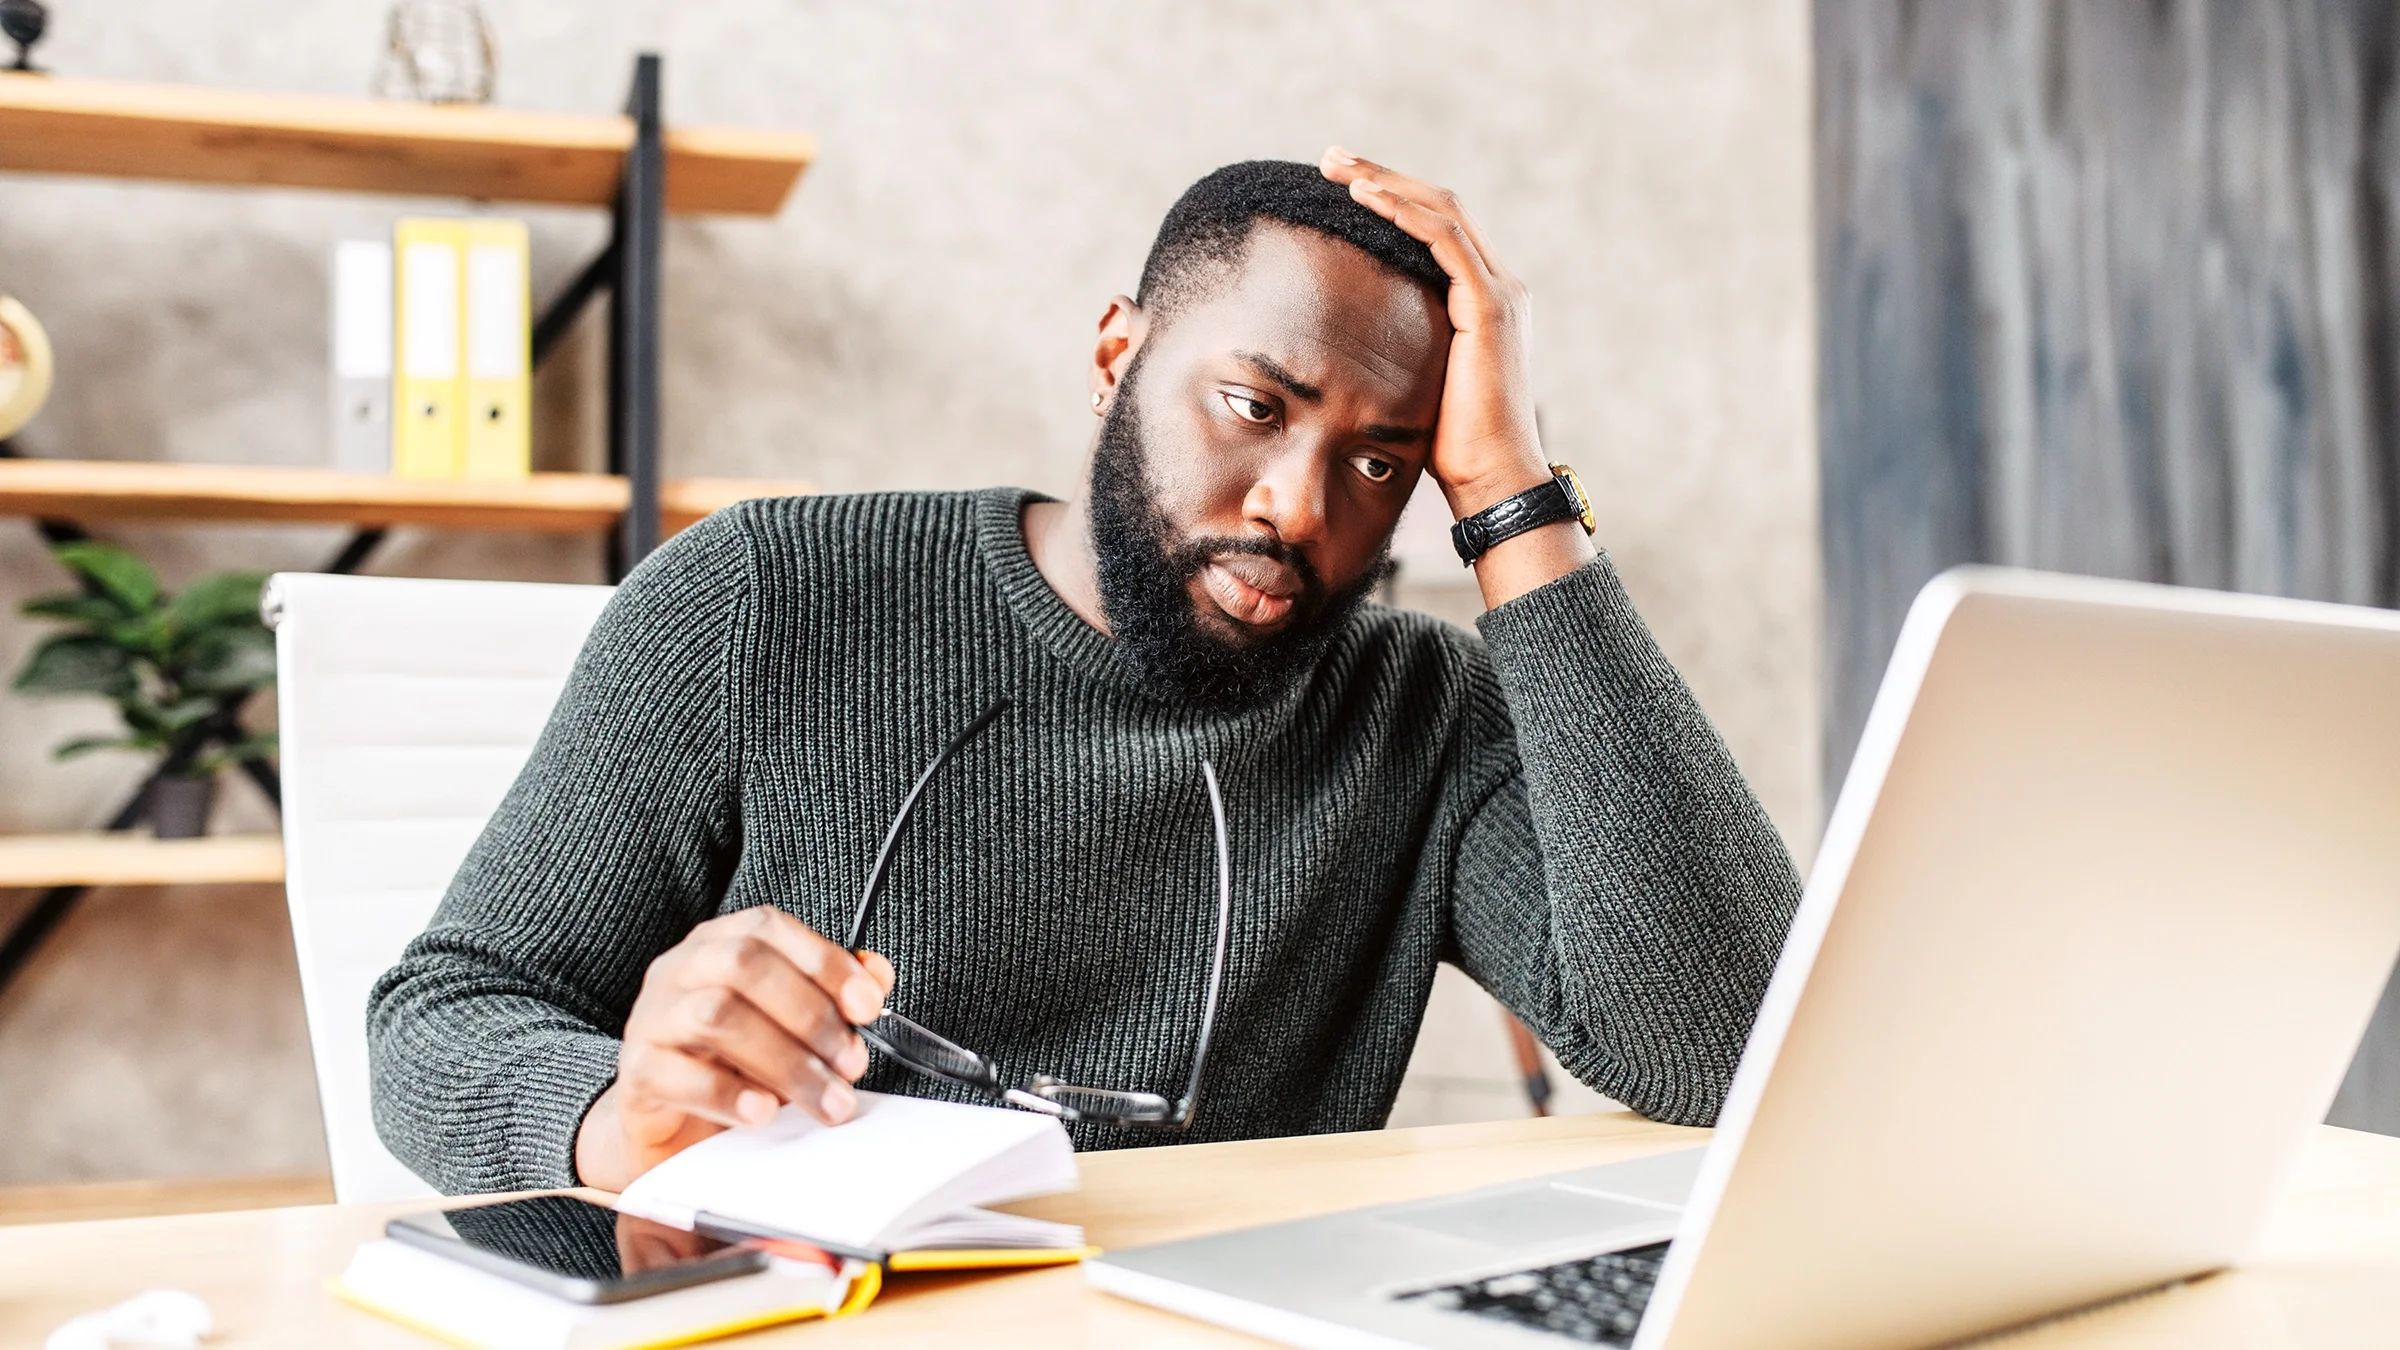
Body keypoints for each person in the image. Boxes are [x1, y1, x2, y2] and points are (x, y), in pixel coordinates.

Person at [368, 151, 1802, 1195]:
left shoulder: (1422, 712)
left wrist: (1514, 495)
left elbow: (1732, 1044)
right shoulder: (766, 595)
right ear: (1118, 354)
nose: (1301, 506)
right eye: (1255, 405)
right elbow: (444, 1016)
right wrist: (624, 1115)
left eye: (1383, 459)